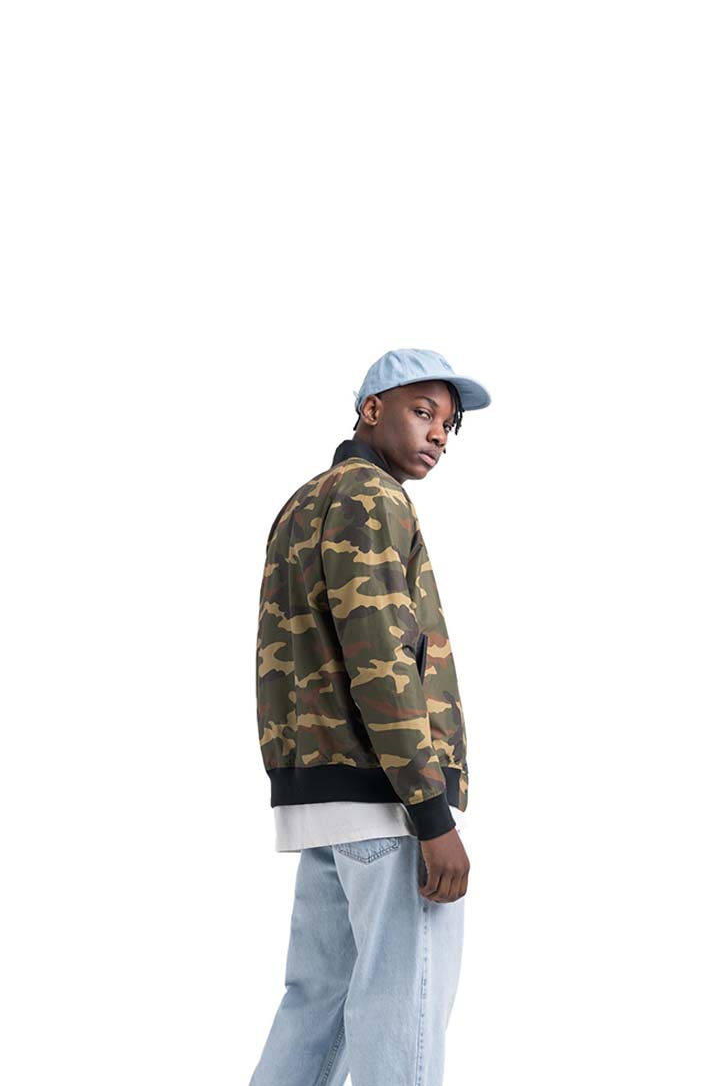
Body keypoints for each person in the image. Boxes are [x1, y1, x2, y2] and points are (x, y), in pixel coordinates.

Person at [249, 348, 491, 1086]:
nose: (438, 434)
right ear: (371, 409)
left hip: (323, 796)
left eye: (448, 425)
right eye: (423, 412)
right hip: (387, 800)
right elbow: (381, 659)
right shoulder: (373, 498)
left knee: (315, 1006)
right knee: (401, 1008)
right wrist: (431, 815)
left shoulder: (303, 502)